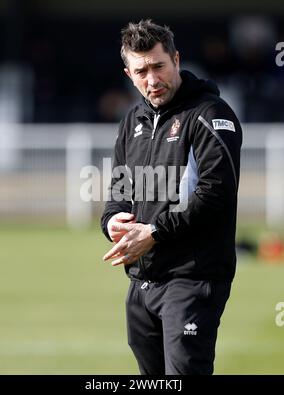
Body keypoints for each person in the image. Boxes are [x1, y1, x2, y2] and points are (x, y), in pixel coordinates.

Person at [101, 19, 242, 375]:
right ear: (128, 74)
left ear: (176, 60)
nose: (152, 79)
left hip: (193, 279)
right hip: (141, 282)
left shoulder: (211, 115)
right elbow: (120, 190)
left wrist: (153, 233)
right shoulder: (132, 120)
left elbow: (216, 194)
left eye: (159, 66)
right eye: (141, 71)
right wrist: (112, 221)